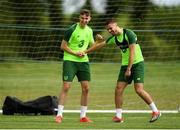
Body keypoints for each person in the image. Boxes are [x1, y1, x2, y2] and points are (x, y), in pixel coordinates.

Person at [85, 20, 161, 123]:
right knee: (118, 89)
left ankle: (156, 111)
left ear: (116, 25)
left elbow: (132, 53)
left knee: (138, 90)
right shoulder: (114, 39)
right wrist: (85, 52)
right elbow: (100, 45)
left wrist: (129, 69)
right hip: (125, 65)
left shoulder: (129, 34)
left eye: (111, 28)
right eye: (108, 30)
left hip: (137, 64)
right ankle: (118, 116)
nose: (110, 30)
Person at [55, 9, 95, 123]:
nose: (84, 20)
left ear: (89, 19)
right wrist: (75, 53)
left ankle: (83, 117)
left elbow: (93, 45)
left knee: (86, 89)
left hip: (84, 62)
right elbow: (63, 46)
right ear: (79, 18)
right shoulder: (71, 29)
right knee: (66, 87)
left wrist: (98, 42)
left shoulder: (89, 30)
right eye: (82, 18)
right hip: (70, 61)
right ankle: (59, 115)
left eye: (86, 18)